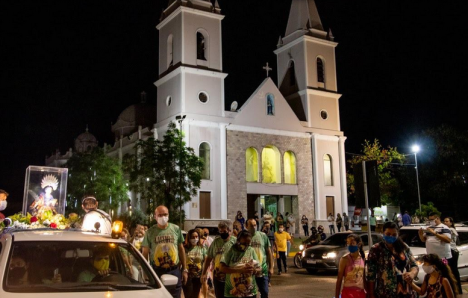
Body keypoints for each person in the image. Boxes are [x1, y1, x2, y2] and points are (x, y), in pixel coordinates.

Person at [142, 205, 187, 298]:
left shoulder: (176, 229)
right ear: (155, 216)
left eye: (165, 214)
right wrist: (145, 272)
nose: (163, 217)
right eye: (160, 215)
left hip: (174, 270)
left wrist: (185, 269)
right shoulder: (150, 232)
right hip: (157, 271)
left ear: (168, 215)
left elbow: (181, 249)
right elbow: (145, 252)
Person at [367, 221, 419, 298]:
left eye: (394, 234)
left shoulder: (404, 247)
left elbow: (414, 265)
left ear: (398, 234)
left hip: (406, 292)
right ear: (383, 233)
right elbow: (371, 274)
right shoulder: (376, 249)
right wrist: (371, 294)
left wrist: (412, 273)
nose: (391, 236)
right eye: (388, 234)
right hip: (385, 293)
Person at [220, 230, 260, 298]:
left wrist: (254, 270)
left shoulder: (251, 250)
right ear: (238, 241)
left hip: (250, 293)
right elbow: (222, 268)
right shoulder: (230, 250)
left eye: (248, 244)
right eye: (244, 243)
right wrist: (240, 270)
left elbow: (259, 268)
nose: (246, 246)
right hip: (232, 293)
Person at [201, 221, 236, 298]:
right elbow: (209, 257)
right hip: (218, 277)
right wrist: (204, 273)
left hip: (231, 277)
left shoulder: (235, 242)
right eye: (220, 231)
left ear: (230, 230)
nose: (222, 233)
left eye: (224, 231)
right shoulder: (216, 242)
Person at [246, 218, 273, 298]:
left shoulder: (262, 236)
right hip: (250, 271)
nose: (254, 227)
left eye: (255, 225)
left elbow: (269, 252)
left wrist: (271, 267)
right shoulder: (244, 237)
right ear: (246, 226)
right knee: (251, 294)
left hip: (262, 269)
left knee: (264, 292)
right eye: (251, 225)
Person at [335, 234, 366, 298]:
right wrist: (337, 296)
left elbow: (364, 278)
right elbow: (339, 279)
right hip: (347, 293)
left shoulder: (363, 258)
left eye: (352, 243)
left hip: (361, 293)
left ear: (359, 244)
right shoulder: (344, 259)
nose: (349, 245)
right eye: (348, 243)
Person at [183, 229, 207, 298]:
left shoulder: (202, 248)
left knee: (195, 295)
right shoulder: (185, 248)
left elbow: (205, 261)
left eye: (196, 237)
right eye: (193, 237)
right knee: (188, 295)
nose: (195, 239)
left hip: (198, 277)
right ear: (189, 238)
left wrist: (204, 273)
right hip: (187, 277)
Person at [443, 217, 462, 294]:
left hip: (452, 252)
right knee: (450, 270)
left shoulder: (450, 230)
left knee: (452, 270)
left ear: (451, 223)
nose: (445, 223)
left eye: (447, 221)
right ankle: (455, 290)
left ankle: (456, 290)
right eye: (444, 221)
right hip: (449, 251)